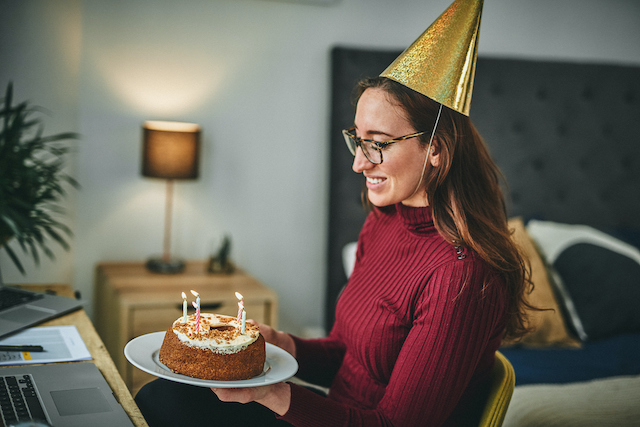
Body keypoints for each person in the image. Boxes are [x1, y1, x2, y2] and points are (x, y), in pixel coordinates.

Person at [135, 0, 533, 425]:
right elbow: (349, 357)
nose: (360, 163)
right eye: (357, 139)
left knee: (166, 406)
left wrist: (272, 393)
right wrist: (285, 344)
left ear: (435, 148)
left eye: (377, 143)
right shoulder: (384, 222)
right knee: (165, 394)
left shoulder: (464, 276)